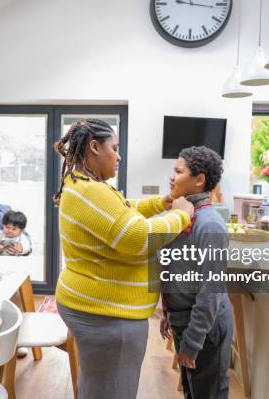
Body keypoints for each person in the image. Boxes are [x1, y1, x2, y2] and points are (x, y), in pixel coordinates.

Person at [53, 118, 195, 399]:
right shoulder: (91, 190)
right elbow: (137, 237)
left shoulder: (83, 184)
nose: (118, 156)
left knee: (97, 387)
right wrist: (180, 215)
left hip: (97, 307)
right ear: (94, 147)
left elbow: (121, 211)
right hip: (106, 314)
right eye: (114, 148)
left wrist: (159, 203)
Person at [159, 146, 234, 399]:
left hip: (204, 328)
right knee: (192, 392)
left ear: (199, 180)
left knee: (208, 394)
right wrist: (168, 312)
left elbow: (210, 292)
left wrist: (192, 341)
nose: (172, 177)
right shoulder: (180, 216)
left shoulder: (209, 224)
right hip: (184, 322)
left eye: (178, 171)